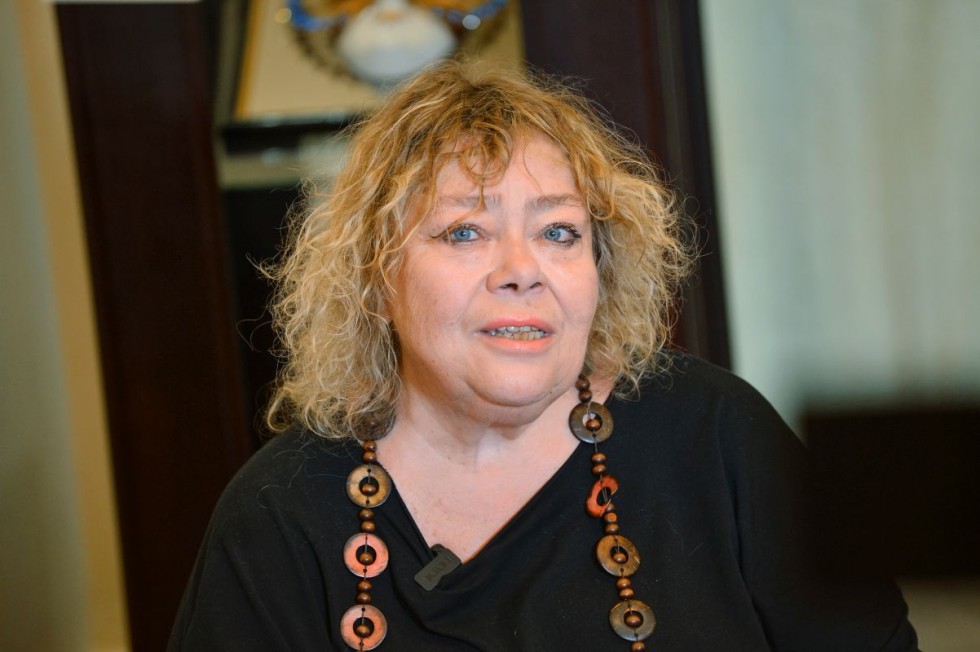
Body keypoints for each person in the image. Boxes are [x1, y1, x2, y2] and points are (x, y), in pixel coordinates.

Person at [168, 60, 918, 651]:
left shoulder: (719, 436)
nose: (522, 270)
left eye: (558, 232)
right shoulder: (278, 518)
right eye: (465, 232)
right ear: (377, 279)